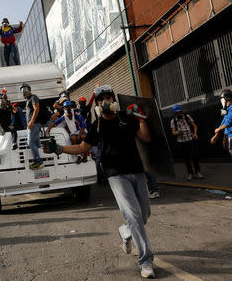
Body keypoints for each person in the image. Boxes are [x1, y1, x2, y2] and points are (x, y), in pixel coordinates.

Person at [42, 85, 155, 278]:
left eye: (109, 97)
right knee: (134, 215)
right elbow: (82, 147)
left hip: (136, 171)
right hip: (115, 175)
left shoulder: (126, 119)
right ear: (97, 104)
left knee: (144, 214)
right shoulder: (96, 126)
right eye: (102, 98)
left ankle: (126, 232)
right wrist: (59, 149)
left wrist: (141, 118)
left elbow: (145, 137)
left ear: (114, 100)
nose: (105, 102)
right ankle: (146, 262)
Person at [211, 89, 232, 187]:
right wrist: (218, 135)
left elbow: (229, 122)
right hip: (230, 136)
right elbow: (224, 121)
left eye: (222, 98)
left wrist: (218, 129)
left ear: (226, 98)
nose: (221, 101)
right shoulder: (227, 109)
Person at [170, 105, 203, 181]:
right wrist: (177, 132)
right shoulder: (173, 121)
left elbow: (195, 126)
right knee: (186, 158)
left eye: (179, 112)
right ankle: (190, 173)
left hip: (191, 139)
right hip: (181, 142)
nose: (178, 113)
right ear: (174, 113)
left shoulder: (187, 117)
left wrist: (195, 133)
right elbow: (173, 132)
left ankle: (198, 172)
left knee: (195, 156)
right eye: (177, 112)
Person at [20, 83, 44, 170]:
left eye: (25, 90)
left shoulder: (33, 97)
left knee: (30, 142)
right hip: (33, 125)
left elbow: (37, 108)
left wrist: (32, 122)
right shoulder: (28, 100)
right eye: (22, 91)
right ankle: (43, 160)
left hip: (34, 124)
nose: (24, 92)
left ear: (29, 90)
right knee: (37, 144)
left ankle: (38, 162)